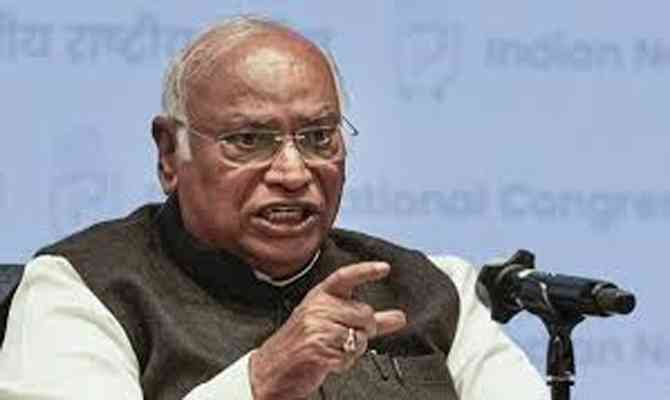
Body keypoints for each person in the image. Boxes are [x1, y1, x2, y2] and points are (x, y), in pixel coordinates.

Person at [0, 16, 548, 399]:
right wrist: (260, 381)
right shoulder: (84, 288)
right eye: (248, 140)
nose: (293, 171)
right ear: (170, 153)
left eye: (318, 137)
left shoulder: (435, 290)